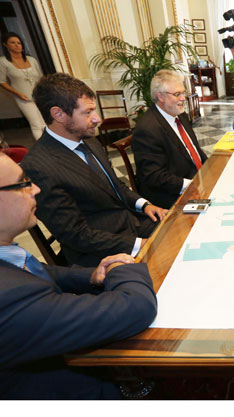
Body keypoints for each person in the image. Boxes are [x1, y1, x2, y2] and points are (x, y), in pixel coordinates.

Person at [0, 152, 157, 399]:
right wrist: (122, 267)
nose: (36, 189)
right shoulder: (9, 298)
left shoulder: (7, 258)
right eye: (22, 183)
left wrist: (92, 276)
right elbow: (136, 307)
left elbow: (37, 272)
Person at [20, 73, 168, 267]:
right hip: (98, 252)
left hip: (131, 224)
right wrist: (139, 244)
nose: (97, 119)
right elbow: (76, 235)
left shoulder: (90, 140)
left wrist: (145, 205)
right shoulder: (39, 166)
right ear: (58, 114)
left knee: (183, 228)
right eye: (87, 112)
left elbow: (116, 186)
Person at [132, 70, 207, 209]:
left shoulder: (180, 115)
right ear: (160, 96)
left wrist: (209, 169)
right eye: (177, 94)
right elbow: (154, 176)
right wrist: (193, 184)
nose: (183, 98)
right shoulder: (147, 129)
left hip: (197, 180)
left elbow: (195, 150)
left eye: (183, 93)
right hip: (172, 195)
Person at [0, 32, 45, 139]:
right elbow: (2, 82)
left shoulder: (32, 60)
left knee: (45, 123)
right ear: (5, 45)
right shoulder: (3, 62)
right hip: (24, 98)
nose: (17, 45)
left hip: (39, 97)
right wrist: (18, 94)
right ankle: (44, 150)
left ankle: (52, 146)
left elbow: (41, 78)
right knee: (36, 124)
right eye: (12, 43)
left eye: (19, 43)